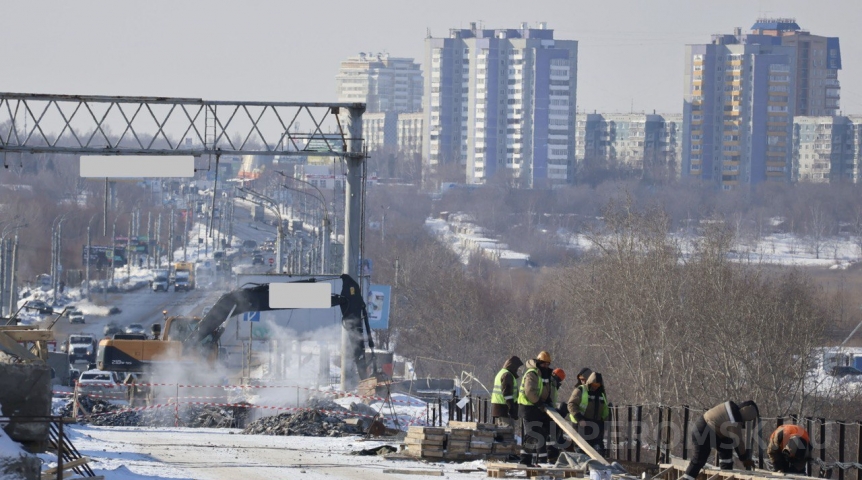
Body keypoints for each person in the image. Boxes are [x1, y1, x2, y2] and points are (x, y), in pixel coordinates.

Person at [680, 400, 759, 480]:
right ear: (748, 415)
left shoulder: (732, 408)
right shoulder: (734, 418)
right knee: (698, 461)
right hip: (703, 430)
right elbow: (737, 441)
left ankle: (725, 474)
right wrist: (744, 458)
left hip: (713, 430)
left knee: (727, 453)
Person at [518, 351, 553, 466]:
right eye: (544, 364)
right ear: (538, 362)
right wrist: (539, 403)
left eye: (548, 364)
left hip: (537, 407)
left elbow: (545, 389)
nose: (546, 366)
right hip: (528, 407)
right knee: (532, 433)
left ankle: (531, 460)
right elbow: (529, 391)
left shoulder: (544, 374)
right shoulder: (532, 373)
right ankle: (524, 460)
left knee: (539, 433)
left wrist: (547, 401)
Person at [567, 371, 610, 456]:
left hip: (596, 424)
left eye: (597, 385)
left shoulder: (601, 394)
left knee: (599, 450)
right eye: (594, 385)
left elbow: (605, 409)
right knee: (581, 450)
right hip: (582, 424)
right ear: (590, 382)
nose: (595, 387)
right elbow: (571, 404)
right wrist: (579, 418)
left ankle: (598, 468)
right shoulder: (580, 390)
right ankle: (581, 467)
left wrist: (604, 421)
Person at [491, 356, 523, 428]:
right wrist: (512, 409)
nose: (517, 369)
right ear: (513, 366)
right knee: (507, 432)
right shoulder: (507, 375)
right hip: (504, 408)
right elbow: (507, 394)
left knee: (503, 432)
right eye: (517, 367)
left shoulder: (503, 373)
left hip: (501, 407)